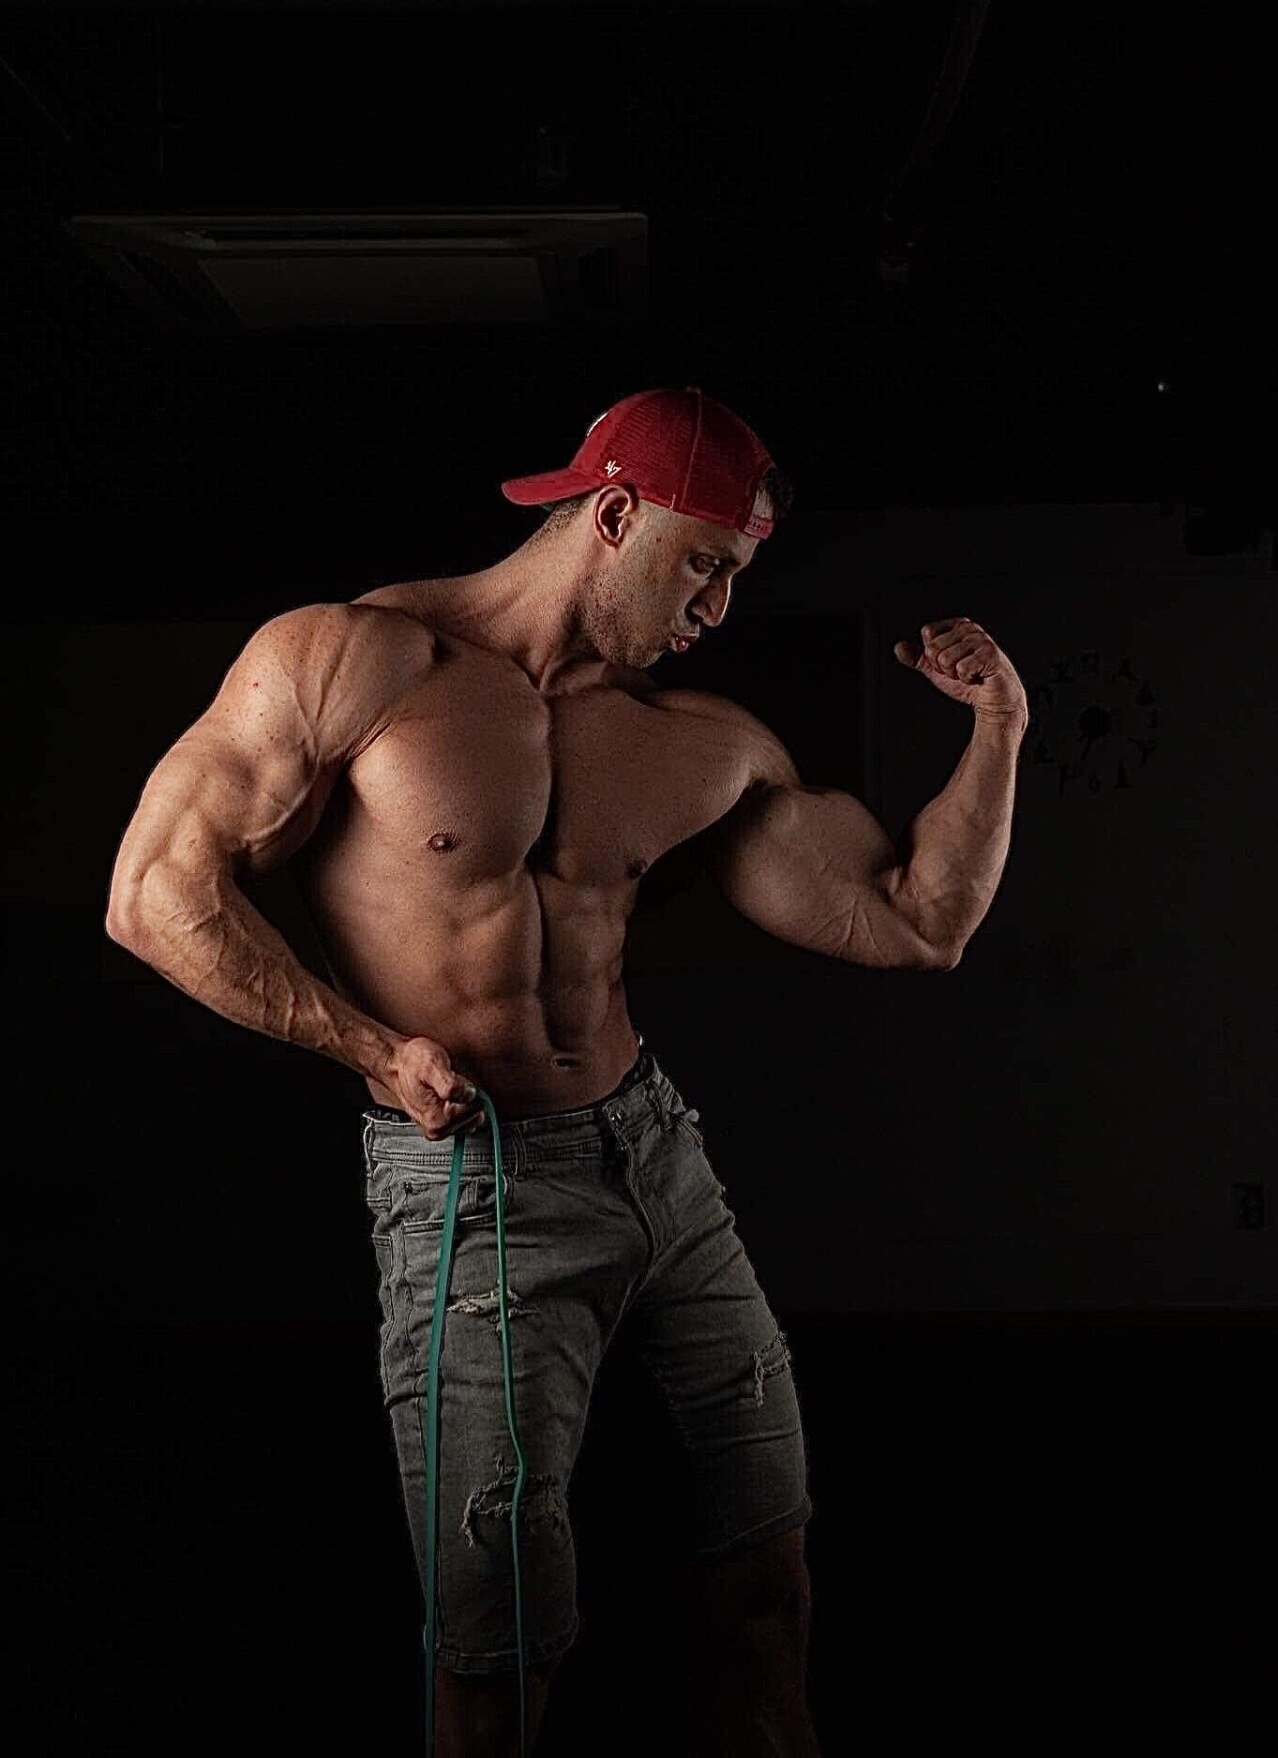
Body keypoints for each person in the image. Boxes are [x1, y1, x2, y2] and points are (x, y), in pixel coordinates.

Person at [105, 386, 1029, 1756]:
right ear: (612, 514)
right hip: (474, 1188)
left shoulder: (690, 738)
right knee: (499, 1650)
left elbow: (918, 923)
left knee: (768, 1584)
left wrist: (999, 728)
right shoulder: (351, 660)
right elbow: (153, 894)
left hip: (658, 1164)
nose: (717, 607)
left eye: (735, 575)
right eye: (703, 564)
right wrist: (369, 1047)